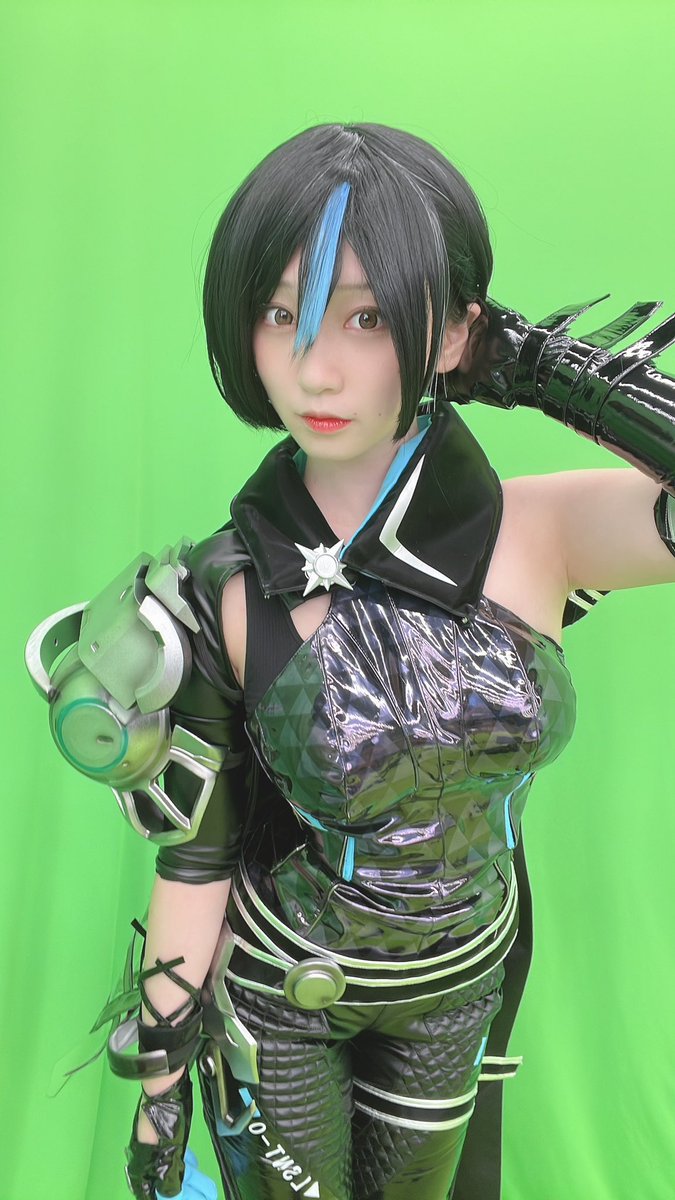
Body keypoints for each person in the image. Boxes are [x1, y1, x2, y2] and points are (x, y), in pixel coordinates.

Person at [25, 122, 675, 1200]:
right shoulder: (222, 587)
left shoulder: (539, 534)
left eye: (367, 317)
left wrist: (537, 367)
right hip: (287, 990)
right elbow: (198, 857)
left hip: (457, 985)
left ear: (455, 329)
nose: (313, 367)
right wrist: (159, 1079)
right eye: (282, 313)